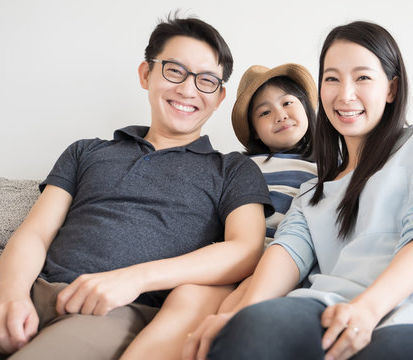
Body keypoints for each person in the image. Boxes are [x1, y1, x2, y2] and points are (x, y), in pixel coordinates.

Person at [0, 14, 273, 360]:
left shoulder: (233, 168)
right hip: (31, 296)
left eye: (206, 80)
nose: (188, 89)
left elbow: (246, 249)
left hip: (119, 312)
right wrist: (10, 293)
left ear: (219, 98)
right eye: (174, 70)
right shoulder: (87, 150)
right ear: (146, 74)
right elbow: (36, 232)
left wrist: (132, 280)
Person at [182, 20, 413, 360]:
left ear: (391, 88)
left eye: (362, 77)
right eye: (332, 78)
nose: (345, 95)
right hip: (324, 306)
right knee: (246, 332)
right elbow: (286, 253)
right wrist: (238, 314)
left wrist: (366, 311)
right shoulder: (311, 191)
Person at [121, 63, 318, 359]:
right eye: (264, 112)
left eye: (288, 102)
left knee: (234, 311)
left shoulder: (329, 166)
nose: (279, 114)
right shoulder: (238, 165)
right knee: (186, 297)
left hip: (280, 262)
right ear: (254, 130)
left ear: (307, 108)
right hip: (230, 258)